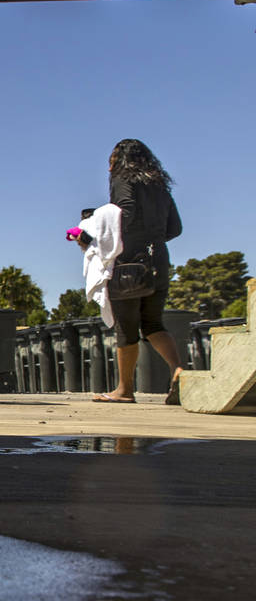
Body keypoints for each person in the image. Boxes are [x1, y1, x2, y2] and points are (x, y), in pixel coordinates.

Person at [90, 139, 184, 405]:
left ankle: (125, 390)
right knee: (153, 323)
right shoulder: (159, 185)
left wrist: (96, 229)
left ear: (119, 160)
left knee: (127, 327)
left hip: (130, 263)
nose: (109, 166)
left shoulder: (123, 179)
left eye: (111, 159)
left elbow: (125, 214)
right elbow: (174, 229)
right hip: (159, 261)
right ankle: (179, 371)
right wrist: (151, 237)